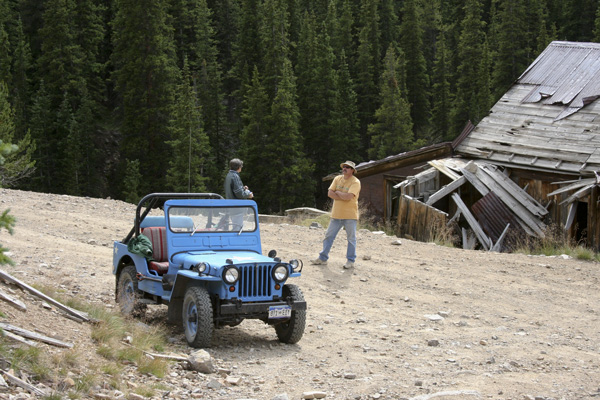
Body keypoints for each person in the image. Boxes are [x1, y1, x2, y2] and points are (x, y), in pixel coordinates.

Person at [311, 160, 361, 269]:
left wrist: (337, 193)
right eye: (344, 166)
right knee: (328, 236)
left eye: (348, 167)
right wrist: (342, 195)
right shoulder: (337, 179)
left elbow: (349, 197)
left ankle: (350, 261)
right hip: (336, 215)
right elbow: (330, 193)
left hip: (350, 215)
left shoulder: (355, 182)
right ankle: (323, 258)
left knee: (351, 239)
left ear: (352, 170)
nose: (345, 168)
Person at [223, 158, 253, 231]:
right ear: (238, 167)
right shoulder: (235, 176)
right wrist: (248, 194)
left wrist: (242, 188)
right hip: (236, 207)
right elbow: (239, 194)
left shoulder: (229, 175)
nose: (241, 168)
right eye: (241, 166)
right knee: (237, 229)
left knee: (235, 227)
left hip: (231, 206)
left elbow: (233, 189)